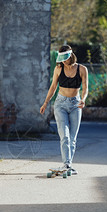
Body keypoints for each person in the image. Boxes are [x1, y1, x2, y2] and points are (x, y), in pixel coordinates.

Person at [40, 45, 88, 175]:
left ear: (71, 56)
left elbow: (85, 87)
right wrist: (45, 103)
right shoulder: (58, 69)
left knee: (72, 138)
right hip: (60, 104)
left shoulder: (82, 69)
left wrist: (83, 99)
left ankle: (68, 165)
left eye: (65, 59)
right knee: (64, 136)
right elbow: (53, 87)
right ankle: (67, 164)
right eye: (61, 59)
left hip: (75, 104)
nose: (63, 61)